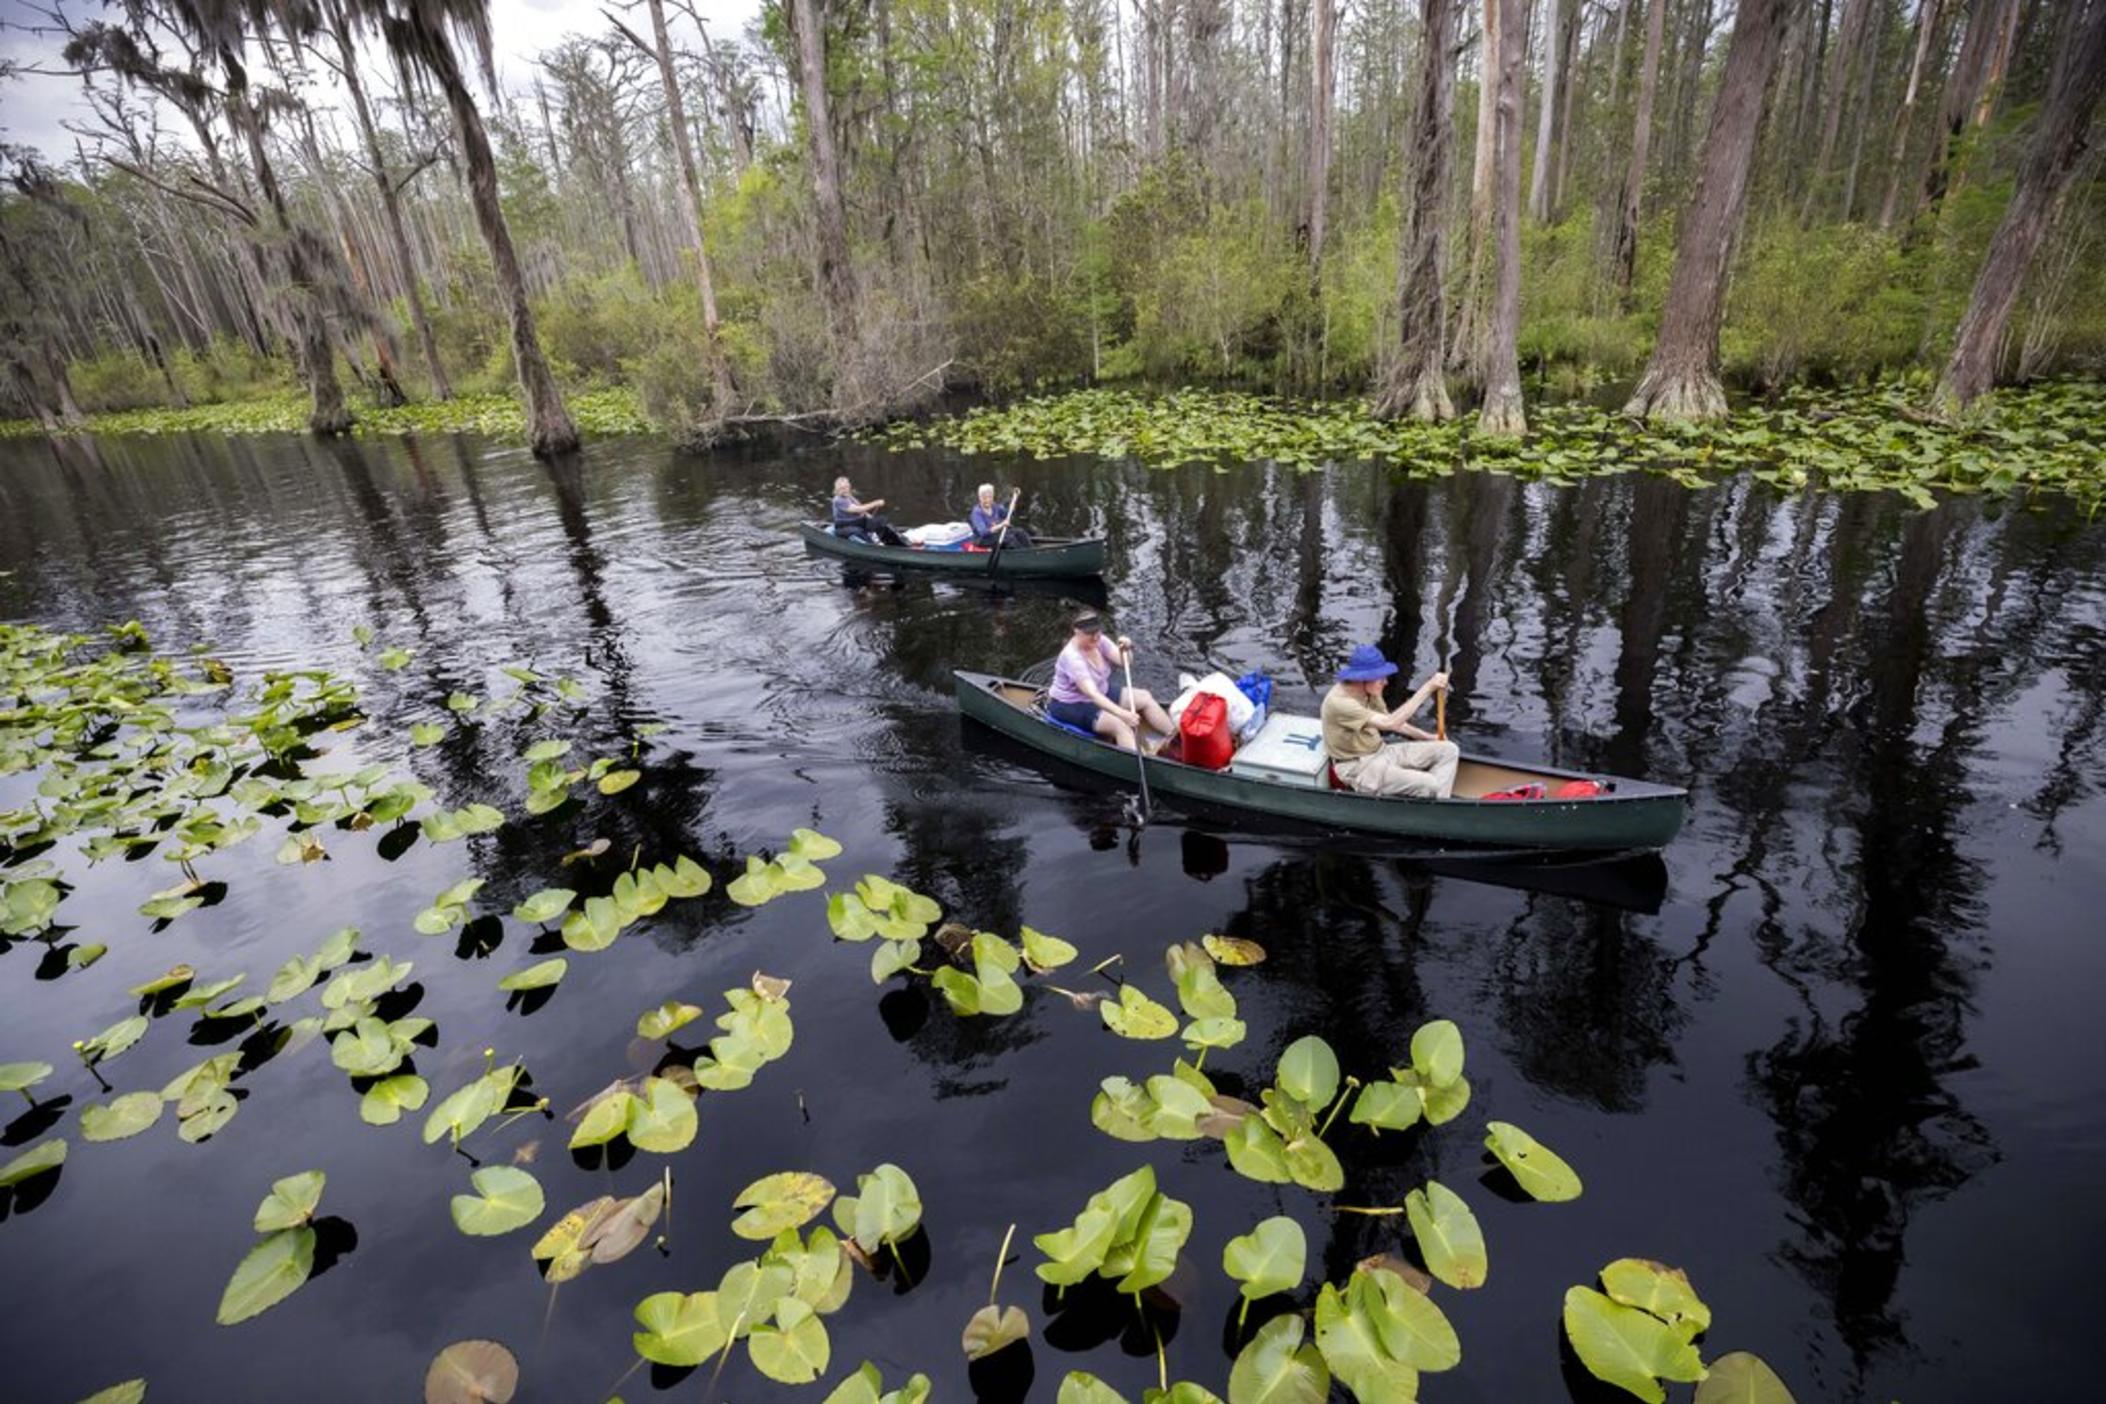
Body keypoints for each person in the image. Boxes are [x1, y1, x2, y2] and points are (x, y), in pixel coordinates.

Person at [1320, 644, 1459, 799]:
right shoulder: (1339, 703)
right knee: (1429, 784)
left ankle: (1438, 804)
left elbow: (1395, 722)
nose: (1385, 682)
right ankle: (1436, 805)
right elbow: (1390, 723)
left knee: (1449, 749)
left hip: (1381, 751)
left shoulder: (1370, 691)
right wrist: (1427, 688)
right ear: (1363, 678)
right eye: (1380, 677)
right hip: (1359, 767)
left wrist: (1428, 737)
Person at [1045, 610, 1174, 753]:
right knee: (1120, 725)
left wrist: (1126, 649)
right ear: (1076, 632)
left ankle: (1175, 738)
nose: (1095, 637)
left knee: (1144, 697)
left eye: (1097, 632)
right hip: (1072, 704)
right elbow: (1092, 694)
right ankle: (1134, 765)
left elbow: (1124, 662)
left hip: (1101, 691)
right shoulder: (1072, 657)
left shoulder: (1100, 641)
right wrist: (1122, 714)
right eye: (1089, 633)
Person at [830, 476, 906, 546]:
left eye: (846, 487)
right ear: (837, 490)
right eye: (842, 488)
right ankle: (872, 545)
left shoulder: (849, 496)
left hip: (856, 522)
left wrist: (867, 515)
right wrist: (876, 503)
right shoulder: (838, 500)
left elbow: (859, 507)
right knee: (858, 531)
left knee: (881, 521)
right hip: (843, 526)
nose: (845, 490)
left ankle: (893, 541)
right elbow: (857, 509)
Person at [969, 484, 1032, 549]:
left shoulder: (994, 506)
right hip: (982, 539)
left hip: (996, 534)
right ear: (980, 498)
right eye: (984, 498)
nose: (987, 500)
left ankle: (1031, 552)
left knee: (1020, 532)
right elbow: (984, 532)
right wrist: (1001, 525)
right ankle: (1022, 555)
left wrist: (1013, 505)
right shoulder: (977, 512)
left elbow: (1007, 514)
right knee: (1009, 539)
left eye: (990, 497)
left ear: (993, 496)